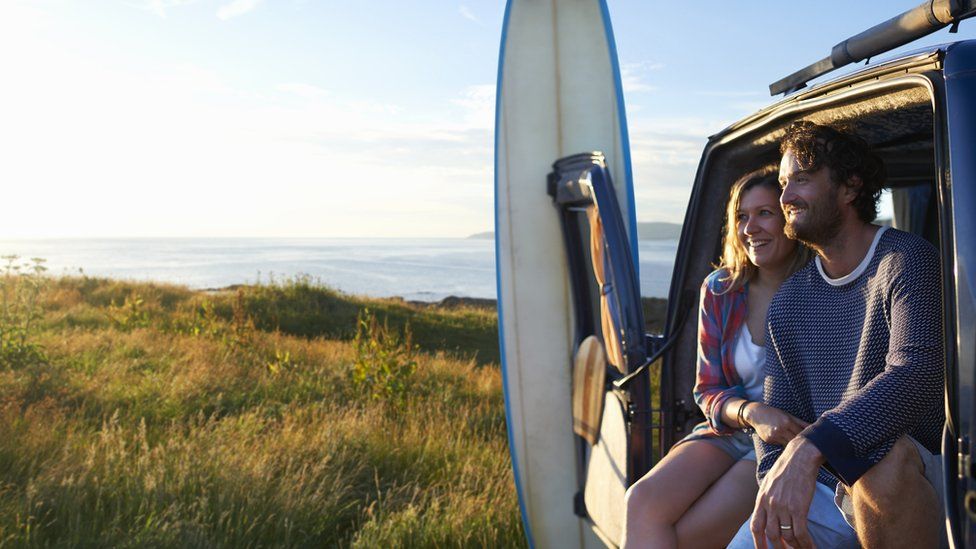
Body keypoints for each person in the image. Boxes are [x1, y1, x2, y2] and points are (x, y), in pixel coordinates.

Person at [727, 121, 945, 548]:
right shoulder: (790, 301)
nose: (785, 197)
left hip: (910, 478)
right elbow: (777, 420)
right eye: (784, 183)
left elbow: (916, 376)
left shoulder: (905, 261)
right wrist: (779, 486)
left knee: (880, 459)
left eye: (801, 180)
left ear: (849, 187)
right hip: (826, 486)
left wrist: (812, 445)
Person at [622, 168, 811, 548]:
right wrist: (750, 412)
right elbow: (707, 390)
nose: (750, 228)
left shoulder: (818, 288)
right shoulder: (721, 289)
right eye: (741, 216)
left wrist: (771, 423)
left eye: (765, 213)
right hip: (730, 428)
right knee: (640, 501)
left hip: (783, 443)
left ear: (791, 219)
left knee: (688, 534)